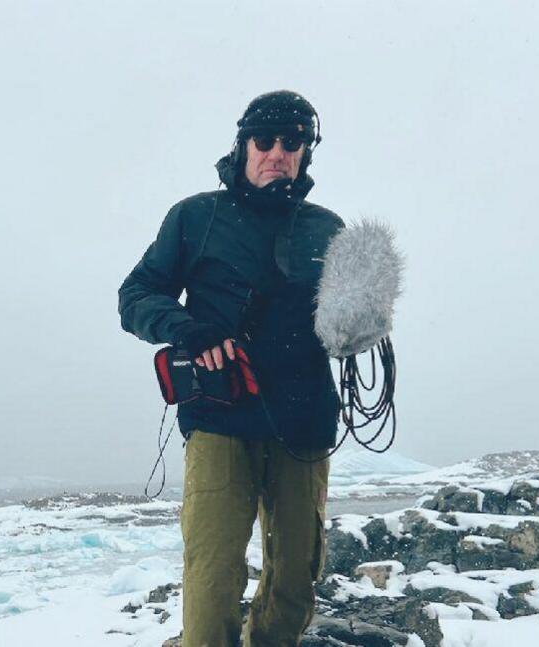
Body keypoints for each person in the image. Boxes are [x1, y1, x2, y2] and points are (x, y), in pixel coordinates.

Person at [118, 91, 344, 647]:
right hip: (221, 416)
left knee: (296, 576)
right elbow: (137, 295)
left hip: (303, 422)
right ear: (242, 145)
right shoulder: (197, 216)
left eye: (293, 143)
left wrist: (366, 325)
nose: (277, 153)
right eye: (264, 141)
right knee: (215, 572)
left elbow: (351, 319)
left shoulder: (329, 228)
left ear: (305, 153)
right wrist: (188, 330)